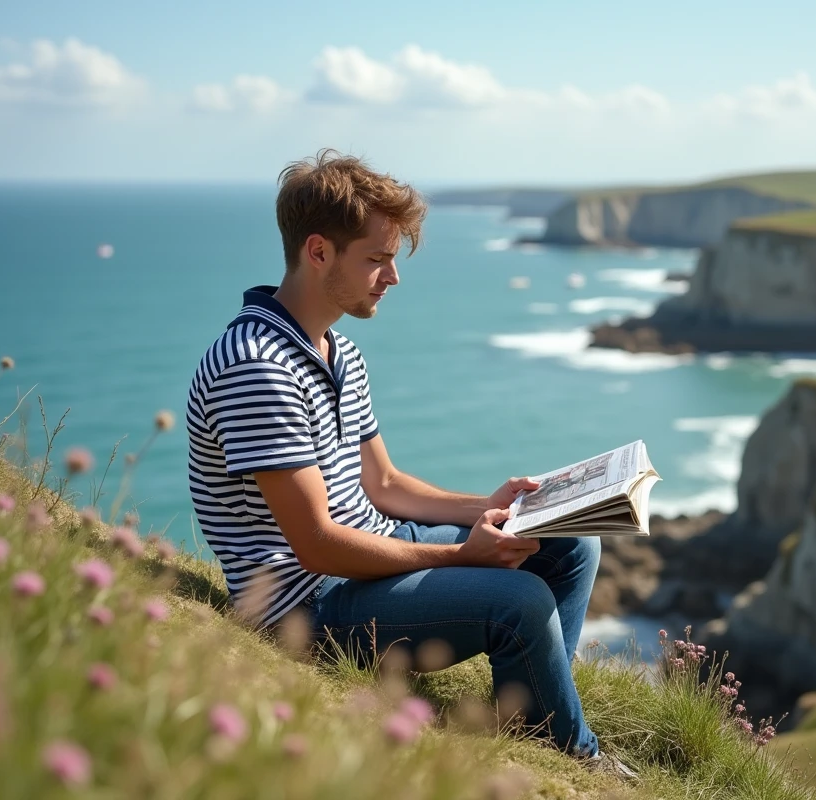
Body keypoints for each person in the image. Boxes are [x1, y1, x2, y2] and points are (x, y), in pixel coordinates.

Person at [185, 149, 635, 779]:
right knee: (522, 600)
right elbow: (315, 545)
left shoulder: (337, 351)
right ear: (318, 252)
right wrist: (461, 557)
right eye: (376, 258)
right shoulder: (258, 367)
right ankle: (571, 759)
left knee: (567, 545)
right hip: (310, 607)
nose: (392, 276)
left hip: (372, 552)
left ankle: (534, 709)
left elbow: (385, 484)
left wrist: (491, 506)